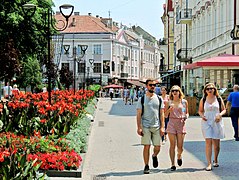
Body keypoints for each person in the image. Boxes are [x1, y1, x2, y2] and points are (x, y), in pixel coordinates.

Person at [136, 78, 165, 174]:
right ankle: (146, 166)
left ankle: (154, 155)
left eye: (154, 85)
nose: (152, 86)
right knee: (146, 146)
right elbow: (139, 114)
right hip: (145, 126)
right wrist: (139, 127)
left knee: (158, 146)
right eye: (150, 85)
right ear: (146, 86)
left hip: (156, 126)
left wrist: (162, 127)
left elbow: (162, 114)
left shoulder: (159, 99)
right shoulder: (142, 99)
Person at [198, 83, 226, 171]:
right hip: (206, 122)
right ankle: (209, 163)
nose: (210, 90)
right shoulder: (203, 99)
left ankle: (216, 159)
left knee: (216, 145)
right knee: (208, 141)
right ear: (205, 91)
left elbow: (224, 109)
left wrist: (220, 115)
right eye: (208, 89)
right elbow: (200, 111)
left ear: (214, 90)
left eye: (211, 88)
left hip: (216, 122)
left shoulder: (218, 98)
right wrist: (202, 116)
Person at [165, 85, 189, 171]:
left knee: (180, 146)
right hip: (171, 123)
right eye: (173, 91)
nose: (174, 92)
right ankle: (172, 164)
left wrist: (186, 116)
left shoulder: (184, 102)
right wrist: (169, 110)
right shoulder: (168, 102)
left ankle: (179, 155)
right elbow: (165, 115)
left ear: (179, 92)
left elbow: (186, 112)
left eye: (176, 90)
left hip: (181, 123)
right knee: (172, 145)